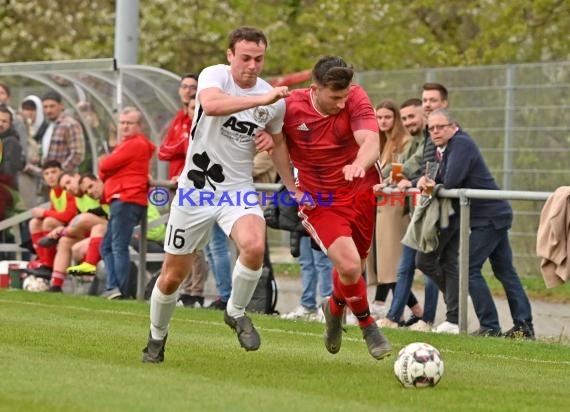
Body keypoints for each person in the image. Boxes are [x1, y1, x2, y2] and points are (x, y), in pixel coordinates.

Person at [142, 26, 293, 362]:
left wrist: (294, 189)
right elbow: (210, 105)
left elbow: (279, 144)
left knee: (254, 245)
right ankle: (156, 339)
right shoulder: (215, 77)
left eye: (259, 59)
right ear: (230, 56)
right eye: (245, 58)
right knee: (171, 277)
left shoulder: (272, 100)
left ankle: (235, 311)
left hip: (236, 189)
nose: (252, 65)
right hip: (194, 192)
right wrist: (260, 100)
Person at [282, 56, 391, 360]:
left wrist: (358, 164)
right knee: (351, 265)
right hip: (321, 201)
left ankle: (333, 309)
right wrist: (292, 189)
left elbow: (370, 140)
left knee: (353, 267)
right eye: (334, 97)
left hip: (360, 190)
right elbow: (273, 142)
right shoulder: (290, 107)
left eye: (345, 96)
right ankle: (368, 326)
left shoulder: (355, 96)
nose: (342, 104)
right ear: (314, 89)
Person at [428, 108, 534, 338]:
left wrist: (433, 182)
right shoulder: (446, 148)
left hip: (490, 217)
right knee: (505, 272)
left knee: (468, 267)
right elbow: (444, 179)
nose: (435, 131)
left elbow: (452, 180)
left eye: (440, 127)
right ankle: (524, 327)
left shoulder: (461, 144)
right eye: (431, 128)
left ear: (453, 126)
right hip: (487, 217)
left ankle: (490, 326)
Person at [367, 99, 423, 325]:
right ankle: (408, 310)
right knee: (384, 261)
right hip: (379, 205)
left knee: (391, 262)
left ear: (396, 119)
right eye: (379, 117)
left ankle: (412, 312)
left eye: (387, 117)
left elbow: (398, 170)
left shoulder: (404, 141)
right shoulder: (380, 140)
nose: (383, 122)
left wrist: (381, 178)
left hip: (395, 206)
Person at [158, 76, 209, 308]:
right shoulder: (179, 119)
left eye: (193, 88)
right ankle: (184, 290)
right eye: (185, 87)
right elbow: (163, 151)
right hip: (177, 187)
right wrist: (179, 145)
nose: (188, 92)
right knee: (178, 243)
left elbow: (189, 152)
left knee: (197, 245)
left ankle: (195, 292)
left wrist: (179, 145)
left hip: (195, 188)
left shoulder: (200, 122)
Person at [99, 106, 155, 299]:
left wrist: (107, 168)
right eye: (121, 123)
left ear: (139, 125)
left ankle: (118, 290)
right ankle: (113, 287)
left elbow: (104, 165)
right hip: (123, 199)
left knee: (117, 246)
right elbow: (106, 168)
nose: (124, 127)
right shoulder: (128, 144)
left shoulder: (135, 144)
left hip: (127, 198)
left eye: (129, 123)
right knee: (106, 246)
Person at [27, 160, 77, 279]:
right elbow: (56, 212)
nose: (50, 176)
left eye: (54, 172)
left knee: (49, 222)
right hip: (63, 226)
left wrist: (44, 212)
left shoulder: (67, 189)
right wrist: (43, 214)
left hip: (75, 226)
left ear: (61, 172)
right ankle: (43, 261)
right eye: (46, 174)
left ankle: (49, 265)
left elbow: (69, 215)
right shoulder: (52, 192)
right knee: (34, 223)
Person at [40, 90, 85, 173]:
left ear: (61, 106)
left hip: (66, 180)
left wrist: (60, 172)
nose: (48, 110)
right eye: (45, 107)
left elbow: (77, 154)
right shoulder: (51, 126)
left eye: (52, 106)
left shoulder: (70, 124)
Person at [0, 104, 26, 221]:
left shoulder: (11, 142)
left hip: (4, 192)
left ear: (10, 124)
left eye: (4, 121)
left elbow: (8, 171)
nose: (0, 124)